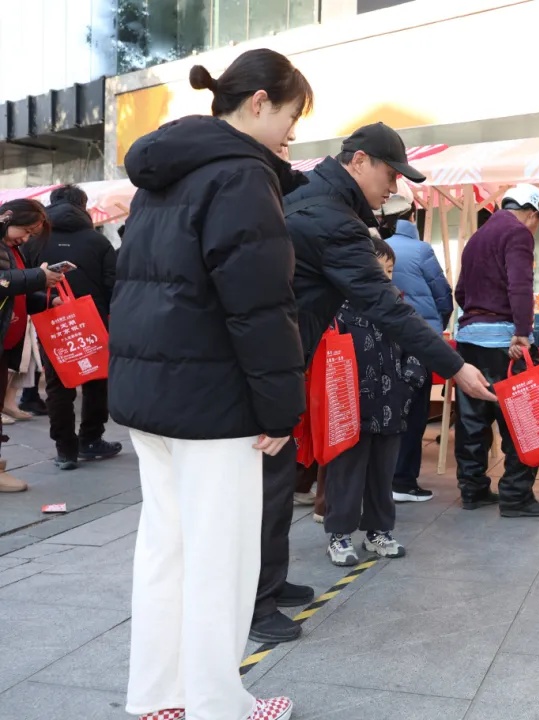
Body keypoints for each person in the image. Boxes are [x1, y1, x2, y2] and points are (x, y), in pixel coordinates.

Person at [109, 50, 313, 720]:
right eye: (291, 116)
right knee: (220, 558)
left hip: (153, 395)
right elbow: (260, 305)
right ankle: (217, 706)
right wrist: (280, 408)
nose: (292, 132)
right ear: (259, 102)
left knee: (165, 550)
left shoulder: (162, 171)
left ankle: (159, 697)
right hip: (215, 401)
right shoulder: (241, 175)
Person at [251, 122, 497, 645]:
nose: (394, 187)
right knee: (268, 487)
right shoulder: (332, 219)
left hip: (274, 356)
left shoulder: (309, 197)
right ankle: (256, 602)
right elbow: (386, 307)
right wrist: (454, 366)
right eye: (390, 174)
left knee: (276, 480)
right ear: (358, 161)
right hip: (269, 360)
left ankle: (268, 583)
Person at [454, 183, 539, 518]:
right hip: (504, 342)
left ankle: (472, 489)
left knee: (472, 419)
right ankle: (516, 495)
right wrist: (522, 333)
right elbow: (520, 285)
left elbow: (460, 292)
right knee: (521, 419)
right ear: (532, 212)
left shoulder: (478, 236)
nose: (536, 228)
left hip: (469, 339)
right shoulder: (518, 232)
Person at [325, 237, 424, 563]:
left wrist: (407, 384)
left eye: (390, 270)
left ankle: (378, 531)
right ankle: (339, 535)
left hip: (392, 407)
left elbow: (418, 348)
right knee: (346, 474)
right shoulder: (338, 310)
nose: (385, 276)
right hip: (349, 410)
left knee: (383, 475)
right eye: (378, 269)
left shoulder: (400, 308)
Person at [37, 184, 121, 469]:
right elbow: (113, 284)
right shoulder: (98, 241)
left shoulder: (36, 240)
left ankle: (65, 450)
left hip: (53, 321)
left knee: (58, 383)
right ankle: (91, 439)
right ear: (83, 207)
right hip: (94, 320)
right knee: (97, 378)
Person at [382, 183, 453, 502]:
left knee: (386, 406)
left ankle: (383, 477)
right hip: (419, 340)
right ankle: (403, 481)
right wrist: (437, 327)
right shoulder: (421, 250)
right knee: (415, 410)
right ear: (413, 215)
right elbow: (444, 296)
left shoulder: (374, 247)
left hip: (382, 341)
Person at [0, 200, 61, 493]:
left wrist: (48, 299)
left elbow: (16, 295)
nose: (25, 238)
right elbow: (3, 282)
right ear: (8, 217)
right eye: (25, 231)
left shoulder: (11, 247)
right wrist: (39, 276)